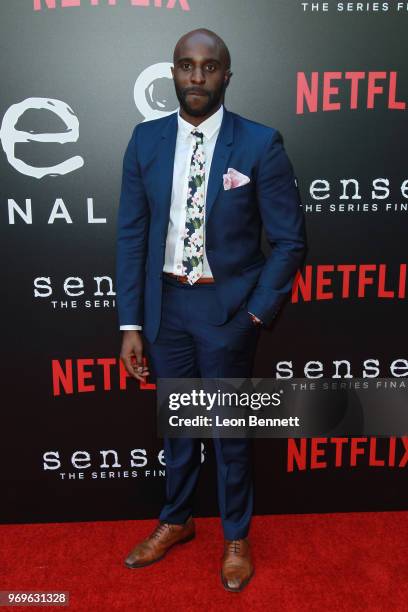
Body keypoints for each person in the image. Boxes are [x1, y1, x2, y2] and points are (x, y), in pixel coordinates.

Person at [116, 28, 307, 592]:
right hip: (166, 308)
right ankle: (176, 521)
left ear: (227, 75)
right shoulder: (145, 141)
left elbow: (290, 241)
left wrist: (254, 312)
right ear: (172, 72)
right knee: (179, 428)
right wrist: (131, 322)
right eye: (185, 66)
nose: (196, 77)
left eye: (208, 67)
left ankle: (235, 536)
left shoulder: (259, 143)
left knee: (227, 432)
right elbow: (132, 235)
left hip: (227, 311)